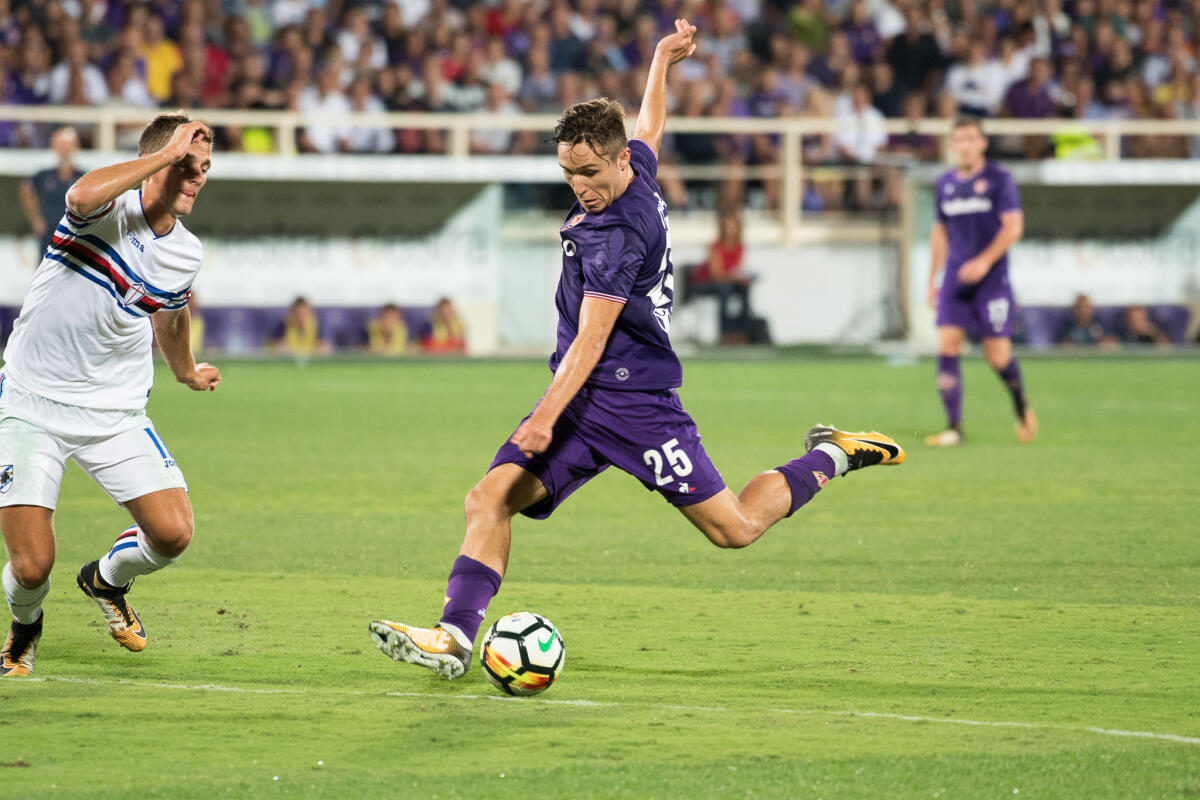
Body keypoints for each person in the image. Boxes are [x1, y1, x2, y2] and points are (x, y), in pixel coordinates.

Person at [368, 19, 905, 681]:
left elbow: (592, 340)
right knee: (488, 499)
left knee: (733, 527)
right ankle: (454, 636)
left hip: (633, 402)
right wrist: (661, 61)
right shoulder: (636, 168)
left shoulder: (616, 237)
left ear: (616, 162)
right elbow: (650, 122)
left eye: (589, 172)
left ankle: (833, 453)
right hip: (583, 403)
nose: (579, 186)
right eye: (567, 172)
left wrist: (542, 419)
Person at [0, 113, 220, 677]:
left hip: (114, 411)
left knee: (173, 534)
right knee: (31, 567)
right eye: (187, 165)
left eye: (204, 169)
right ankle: (25, 628)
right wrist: (166, 151)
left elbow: (171, 314)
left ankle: (105, 579)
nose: (197, 177)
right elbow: (80, 191)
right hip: (30, 404)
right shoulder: (101, 211)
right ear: (160, 160)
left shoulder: (186, 252)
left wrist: (187, 371)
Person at [925, 116, 1035, 447]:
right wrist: (932, 279)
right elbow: (940, 232)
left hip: (992, 283)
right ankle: (953, 427)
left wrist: (984, 262)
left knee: (998, 357)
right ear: (952, 145)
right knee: (947, 346)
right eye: (959, 140)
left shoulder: (999, 179)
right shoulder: (944, 183)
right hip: (956, 282)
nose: (965, 146)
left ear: (983, 143)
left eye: (971, 139)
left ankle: (1021, 407)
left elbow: (1013, 227)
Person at [18, 127, 84, 264]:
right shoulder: (44, 175)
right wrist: (35, 219)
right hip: (48, 236)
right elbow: (26, 189)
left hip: (74, 239)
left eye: (67, 146)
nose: (64, 151)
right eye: (60, 146)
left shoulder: (82, 177)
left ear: (76, 148)